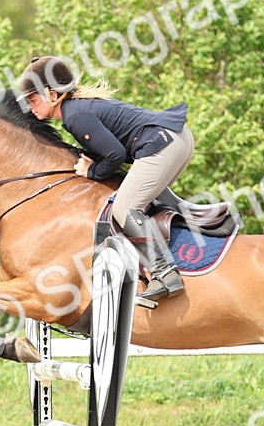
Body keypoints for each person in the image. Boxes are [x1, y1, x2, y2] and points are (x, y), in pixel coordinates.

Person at [17, 56, 194, 301]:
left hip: (162, 143)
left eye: (33, 99)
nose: (30, 106)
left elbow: (115, 155)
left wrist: (92, 172)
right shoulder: (77, 108)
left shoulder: (75, 115)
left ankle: (164, 273)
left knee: (124, 208)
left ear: (52, 94)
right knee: (143, 201)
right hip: (177, 137)